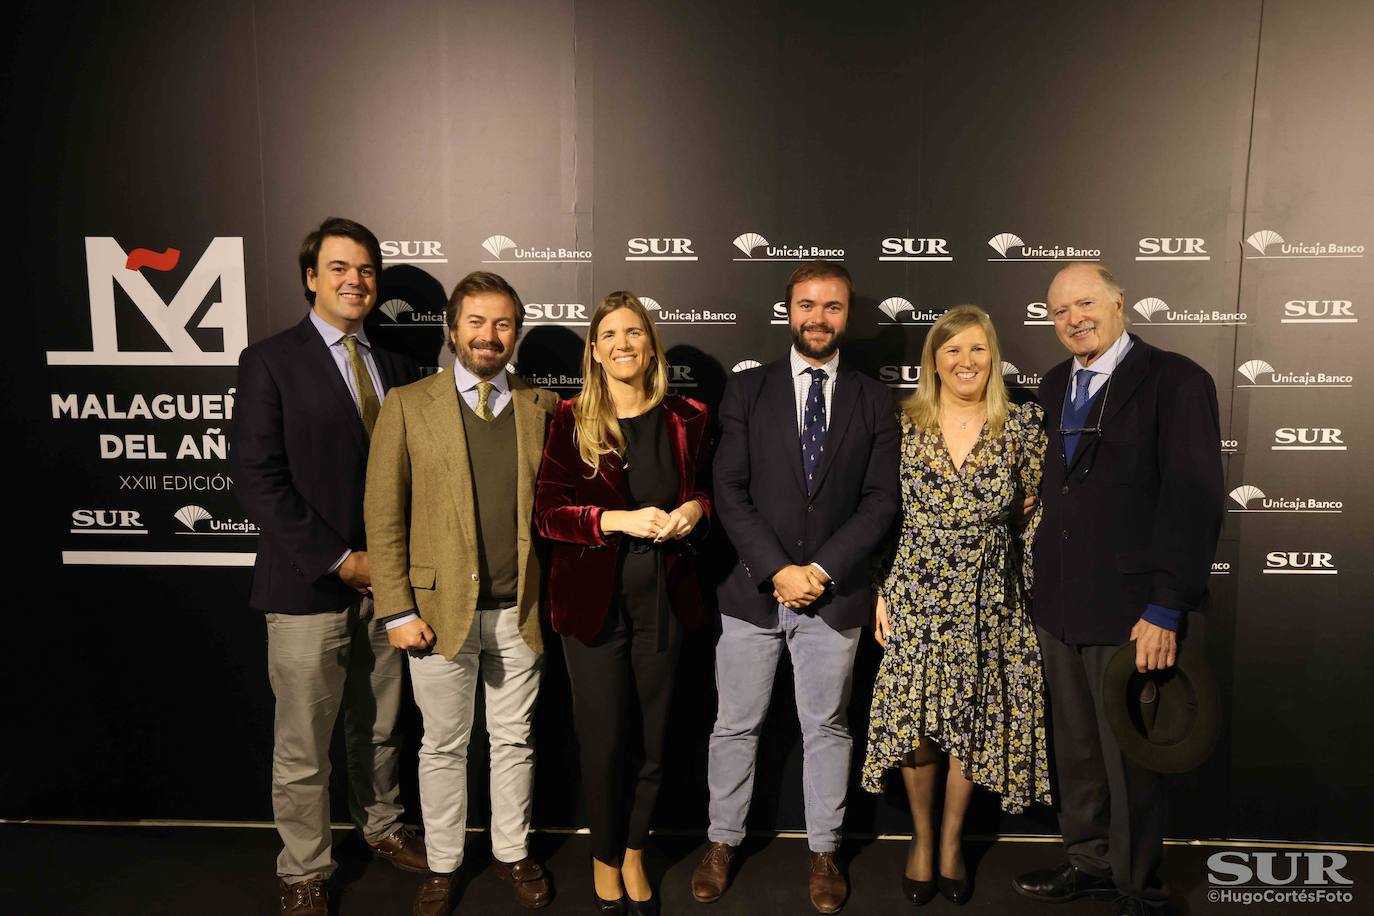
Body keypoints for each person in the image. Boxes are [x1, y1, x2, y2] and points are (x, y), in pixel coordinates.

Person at [1013, 263, 1223, 916]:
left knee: (1130, 758)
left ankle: (1139, 886)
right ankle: (1090, 862)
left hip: (1134, 610)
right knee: (1076, 752)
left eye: (1085, 303)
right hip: (1059, 606)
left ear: (1118, 302)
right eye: (1059, 310)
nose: (1073, 318)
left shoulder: (1177, 381)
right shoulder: (1051, 385)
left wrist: (1165, 606)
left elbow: (1193, 500)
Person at [232, 217, 426, 916]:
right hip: (308, 584)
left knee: (378, 727)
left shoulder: (399, 366)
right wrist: (342, 560)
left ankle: (380, 829)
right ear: (311, 277)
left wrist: (392, 568)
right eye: (339, 268)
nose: (355, 280)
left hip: (391, 589)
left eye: (367, 270)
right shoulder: (270, 360)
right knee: (305, 745)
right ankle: (304, 871)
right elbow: (258, 479)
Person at [693, 261, 899, 914]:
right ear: (788, 312)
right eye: (806, 305)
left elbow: (879, 500)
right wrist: (777, 568)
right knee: (735, 726)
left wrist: (821, 571)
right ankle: (723, 841)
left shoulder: (873, 399)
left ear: (847, 316)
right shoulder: (747, 390)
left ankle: (824, 849)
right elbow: (728, 488)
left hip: (834, 596)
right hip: (752, 591)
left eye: (832, 307)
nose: (818, 317)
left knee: (828, 727)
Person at [366, 271, 558, 914]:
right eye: (475, 322)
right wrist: (396, 608)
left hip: (520, 612)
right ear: (452, 330)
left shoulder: (542, 407)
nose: (489, 335)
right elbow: (385, 516)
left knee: (514, 741)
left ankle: (511, 852)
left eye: (502, 323)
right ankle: (444, 864)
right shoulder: (407, 404)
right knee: (443, 745)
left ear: (516, 333)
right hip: (437, 613)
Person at [862, 305, 1051, 907]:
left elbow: (1037, 513)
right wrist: (878, 590)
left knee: (972, 724)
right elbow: (877, 512)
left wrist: (1024, 593)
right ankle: (920, 839)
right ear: (933, 362)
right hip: (915, 590)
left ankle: (950, 842)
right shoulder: (902, 425)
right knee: (916, 724)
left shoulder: (1021, 427)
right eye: (951, 351)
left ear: (992, 358)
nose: (964, 361)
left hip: (989, 598)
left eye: (976, 349)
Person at [534, 291, 713, 916]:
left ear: (650, 343)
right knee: (604, 739)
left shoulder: (688, 417)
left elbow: (706, 495)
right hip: (591, 609)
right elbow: (548, 514)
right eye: (609, 334)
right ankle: (604, 857)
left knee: (657, 741)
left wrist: (694, 510)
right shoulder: (570, 417)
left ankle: (637, 850)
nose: (623, 345)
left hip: (664, 604)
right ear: (594, 348)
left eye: (633, 332)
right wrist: (617, 520)